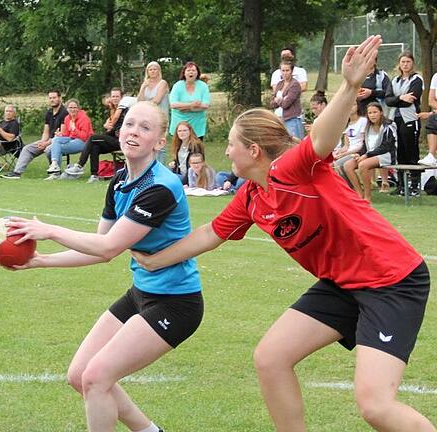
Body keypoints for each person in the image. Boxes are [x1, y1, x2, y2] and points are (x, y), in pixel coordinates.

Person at [132, 36, 435, 432]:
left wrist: (347, 87)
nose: (228, 151)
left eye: (233, 144)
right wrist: (154, 259)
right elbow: (209, 234)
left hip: (391, 280)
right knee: (271, 357)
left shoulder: (292, 170)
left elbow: (322, 138)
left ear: (254, 151)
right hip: (343, 283)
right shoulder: (253, 197)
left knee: (375, 405)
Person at [7, 101, 202, 432]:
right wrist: (40, 261)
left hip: (176, 303)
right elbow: (98, 249)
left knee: (96, 378)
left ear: (158, 141)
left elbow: (110, 247)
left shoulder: (161, 188)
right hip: (141, 294)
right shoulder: (120, 181)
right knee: (79, 375)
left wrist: (50, 231)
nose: (133, 132)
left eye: (145, 127)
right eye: (129, 124)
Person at [64, 95, 136, 183]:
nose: (114, 98)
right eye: (113, 96)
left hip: (122, 141)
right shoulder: (112, 111)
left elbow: (115, 124)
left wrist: (108, 126)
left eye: (117, 96)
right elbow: (110, 129)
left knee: (92, 138)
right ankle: (94, 175)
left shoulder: (126, 110)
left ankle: (79, 165)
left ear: (122, 98)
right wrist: (106, 126)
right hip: (113, 139)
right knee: (95, 146)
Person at [0, 90, 67, 179]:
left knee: (48, 149)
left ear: (59, 98)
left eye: (54, 98)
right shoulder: (49, 113)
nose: (52, 100)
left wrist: (46, 144)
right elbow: (46, 131)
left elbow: (62, 134)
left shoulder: (64, 113)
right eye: (50, 98)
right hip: (47, 140)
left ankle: (55, 173)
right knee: (27, 148)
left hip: (59, 141)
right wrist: (42, 142)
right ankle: (17, 173)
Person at [384, 50, 423, 196]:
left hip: (410, 119)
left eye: (408, 62)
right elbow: (388, 100)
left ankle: (414, 185)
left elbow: (410, 101)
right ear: (399, 64)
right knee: (399, 152)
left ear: (412, 63)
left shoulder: (417, 79)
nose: (405, 64)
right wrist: (401, 97)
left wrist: (396, 100)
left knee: (411, 151)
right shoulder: (394, 81)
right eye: (403, 62)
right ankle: (401, 185)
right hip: (396, 120)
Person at [343, 102, 397, 201]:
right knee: (348, 165)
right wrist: (358, 154)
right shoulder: (368, 127)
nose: (372, 115)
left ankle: (367, 196)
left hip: (386, 155)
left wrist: (367, 155)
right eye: (370, 113)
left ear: (381, 112)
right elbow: (365, 145)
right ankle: (359, 192)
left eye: (375, 112)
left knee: (363, 165)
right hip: (370, 155)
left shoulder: (388, 125)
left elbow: (386, 146)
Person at [45, 99, 93, 179]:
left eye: (75, 107)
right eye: (70, 107)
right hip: (72, 139)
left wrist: (74, 129)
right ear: (67, 109)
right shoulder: (67, 118)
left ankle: (55, 172)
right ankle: (55, 166)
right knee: (53, 143)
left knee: (56, 148)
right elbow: (67, 135)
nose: (73, 109)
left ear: (78, 108)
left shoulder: (84, 118)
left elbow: (84, 136)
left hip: (84, 142)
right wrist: (60, 135)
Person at [168, 61, 211, 141]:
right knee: (180, 150)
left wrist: (185, 108)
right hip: (179, 123)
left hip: (197, 124)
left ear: (197, 73)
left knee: (196, 150)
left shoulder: (203, 86)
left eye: (193, 70)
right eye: (188, 70)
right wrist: (192, 105)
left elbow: (206, 105)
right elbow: (173, 104)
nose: (191, 72)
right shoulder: (177, 85)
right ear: (184, 73)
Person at [137, 61, 170, 162]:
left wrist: (144, 104)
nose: (152, 71)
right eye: (150, 69)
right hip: (148, 117)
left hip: (160, 117)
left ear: (159, 71)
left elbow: (156, 100)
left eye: (155, 69)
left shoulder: (162, 83)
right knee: (149, 143)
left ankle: (160, 166)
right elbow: (139, 100)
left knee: (160, 144)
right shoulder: (146, 84)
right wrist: (143, 87)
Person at [271, 61, 304, 139]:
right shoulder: (279, 84)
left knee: (294, 143)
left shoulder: (295, 84)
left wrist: (278, 100)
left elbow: (286, 104)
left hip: (292, 119)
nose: (285, 73)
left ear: (291, 71)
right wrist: (281, 100)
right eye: (283, 70)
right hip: (279, 119)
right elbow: (273, 103)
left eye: (287, 70)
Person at [167, 121, 204, 185]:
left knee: (169, 178)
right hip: (180, 173)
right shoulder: (178, 144)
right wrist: (174, 162)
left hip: (190, 176)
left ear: (190, 131)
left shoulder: (195, 145)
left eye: (184, 130)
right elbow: (180, 160)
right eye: (179, 131)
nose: (182, 133)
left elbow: (196, 164)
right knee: (166, 171)